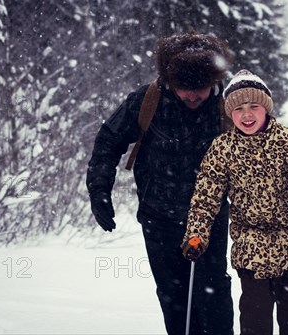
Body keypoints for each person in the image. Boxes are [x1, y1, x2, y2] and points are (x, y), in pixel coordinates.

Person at [86, 33, 234, 335]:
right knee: (173, 296)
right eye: (185, 90)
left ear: (213, 83)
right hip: (159, 218)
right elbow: (108, 140)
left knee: (213, 294)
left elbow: (258, 157)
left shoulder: (228, 107)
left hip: (211, 220)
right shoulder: (147, 100)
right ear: (170, 82)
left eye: (200, 90)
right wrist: (99, 189)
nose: (193, 97)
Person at [182, 69, 288, 335]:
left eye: (253, 106)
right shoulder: (222, 148)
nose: (246, 115)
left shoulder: (287, 141)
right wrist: (196, 234)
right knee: (255, 321)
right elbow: (206, 197)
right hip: (250, 249)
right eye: (238, 108)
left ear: (266, 109)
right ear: (230, 113)